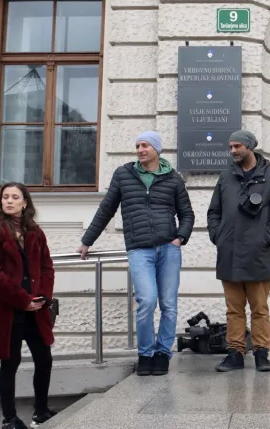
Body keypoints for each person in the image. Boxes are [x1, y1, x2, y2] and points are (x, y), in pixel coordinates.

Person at [78, 131, 194, 376]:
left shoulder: (173, 179)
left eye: (145, 145)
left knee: (169, 305)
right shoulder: (124, 174)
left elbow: (187, 214)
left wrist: (180, 238)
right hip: (139, 249)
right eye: (138, 145)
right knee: (147, 301)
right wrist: (87, 241)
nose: (140, 149)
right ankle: (145, 353)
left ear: (156, 149)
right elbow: (106, 209)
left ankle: (163, 353)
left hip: (169, 249)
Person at [0, 183, 56, 429]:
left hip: (35, 309)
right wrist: (22, 299)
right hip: (6, 309)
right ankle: (9, 421)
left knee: (44, 358)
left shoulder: (35, 232)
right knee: (10, 363)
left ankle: (40, 412)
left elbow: (46, 267)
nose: (9, 201)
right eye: (5, 197)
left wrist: (42, 296)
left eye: (15, 197)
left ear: (25, 203)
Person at [207, 130, 270, 373]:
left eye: (237, 146)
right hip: (229, 253)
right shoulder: (225, 178)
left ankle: (261, 354)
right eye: (230, 147)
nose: (232, 151)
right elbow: (214, 212)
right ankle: (234, 353)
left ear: (249, 147)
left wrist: (265, 239)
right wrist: (218, 236)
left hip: (258, 253)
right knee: (233, 309)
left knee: (259, 308)